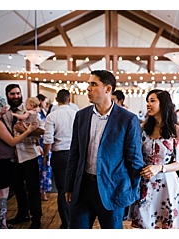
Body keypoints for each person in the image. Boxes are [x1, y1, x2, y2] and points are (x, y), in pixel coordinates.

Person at [65, 70, 146, 229]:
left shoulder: (128, 119)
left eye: (93, 84)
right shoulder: (81, 116)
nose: (88, 88)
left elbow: (134, 159)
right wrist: (69, 186)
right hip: (82, 187)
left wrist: (132, 192)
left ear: (108, 89)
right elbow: (74, 153)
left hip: (113, 188)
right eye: (88, 84)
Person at [128, 90, 179, 229]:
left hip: (167, 184)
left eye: (152, 101)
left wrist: (160, 167)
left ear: (163, 104)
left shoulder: (175, 130)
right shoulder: (143, 128)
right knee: (145, 225)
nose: (148, 104)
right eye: (148, 101)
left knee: (167, 226)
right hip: (145, 183)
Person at [1, 84, 45, 229]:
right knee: (18, 188)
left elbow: (42, 130)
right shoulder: (4, 113)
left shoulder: (30, 111)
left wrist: (26, 130)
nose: (16, 96)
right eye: (12, 94)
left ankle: (36, 219)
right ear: (7, 95)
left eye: (18, 93)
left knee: (33, 189)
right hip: (12, 157)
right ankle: (22, 214)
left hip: (29, 155)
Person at [41, 89, 77, 228]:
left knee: (62, 190)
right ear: (69, 100)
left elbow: (48, 139)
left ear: (56, 99)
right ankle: (75, 221)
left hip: (59, 156)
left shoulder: (52, 116)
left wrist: (45, 156)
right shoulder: (76, 114)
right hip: (74, 155)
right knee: (74, 188)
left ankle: (66, 223)